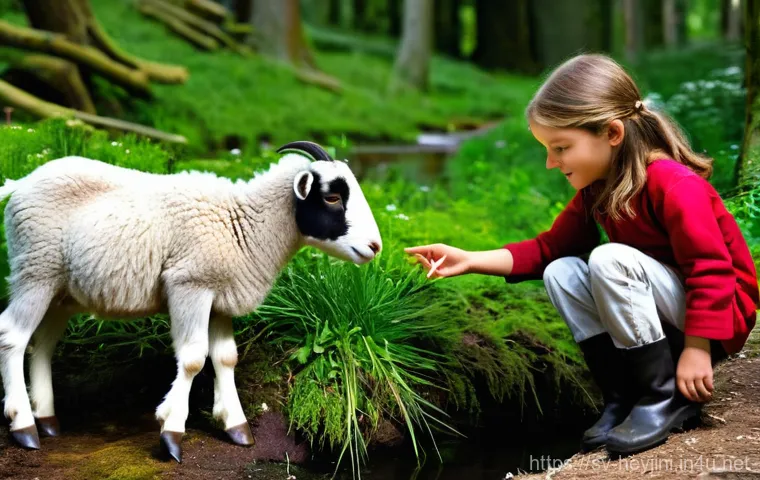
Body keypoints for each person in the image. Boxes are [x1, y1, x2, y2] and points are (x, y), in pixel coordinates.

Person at [404, 53, 759, 456]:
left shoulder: (674, 185)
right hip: (671, 308)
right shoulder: (598, 189)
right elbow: (546, 249)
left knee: (607, 259)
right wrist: (468, 259)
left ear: (611, 133)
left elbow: (711, 269)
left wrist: (697, 350)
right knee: (562, 270)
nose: (551, 163)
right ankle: (622, 395)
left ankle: (665, 397)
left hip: (718, 317)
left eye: (561, 147)